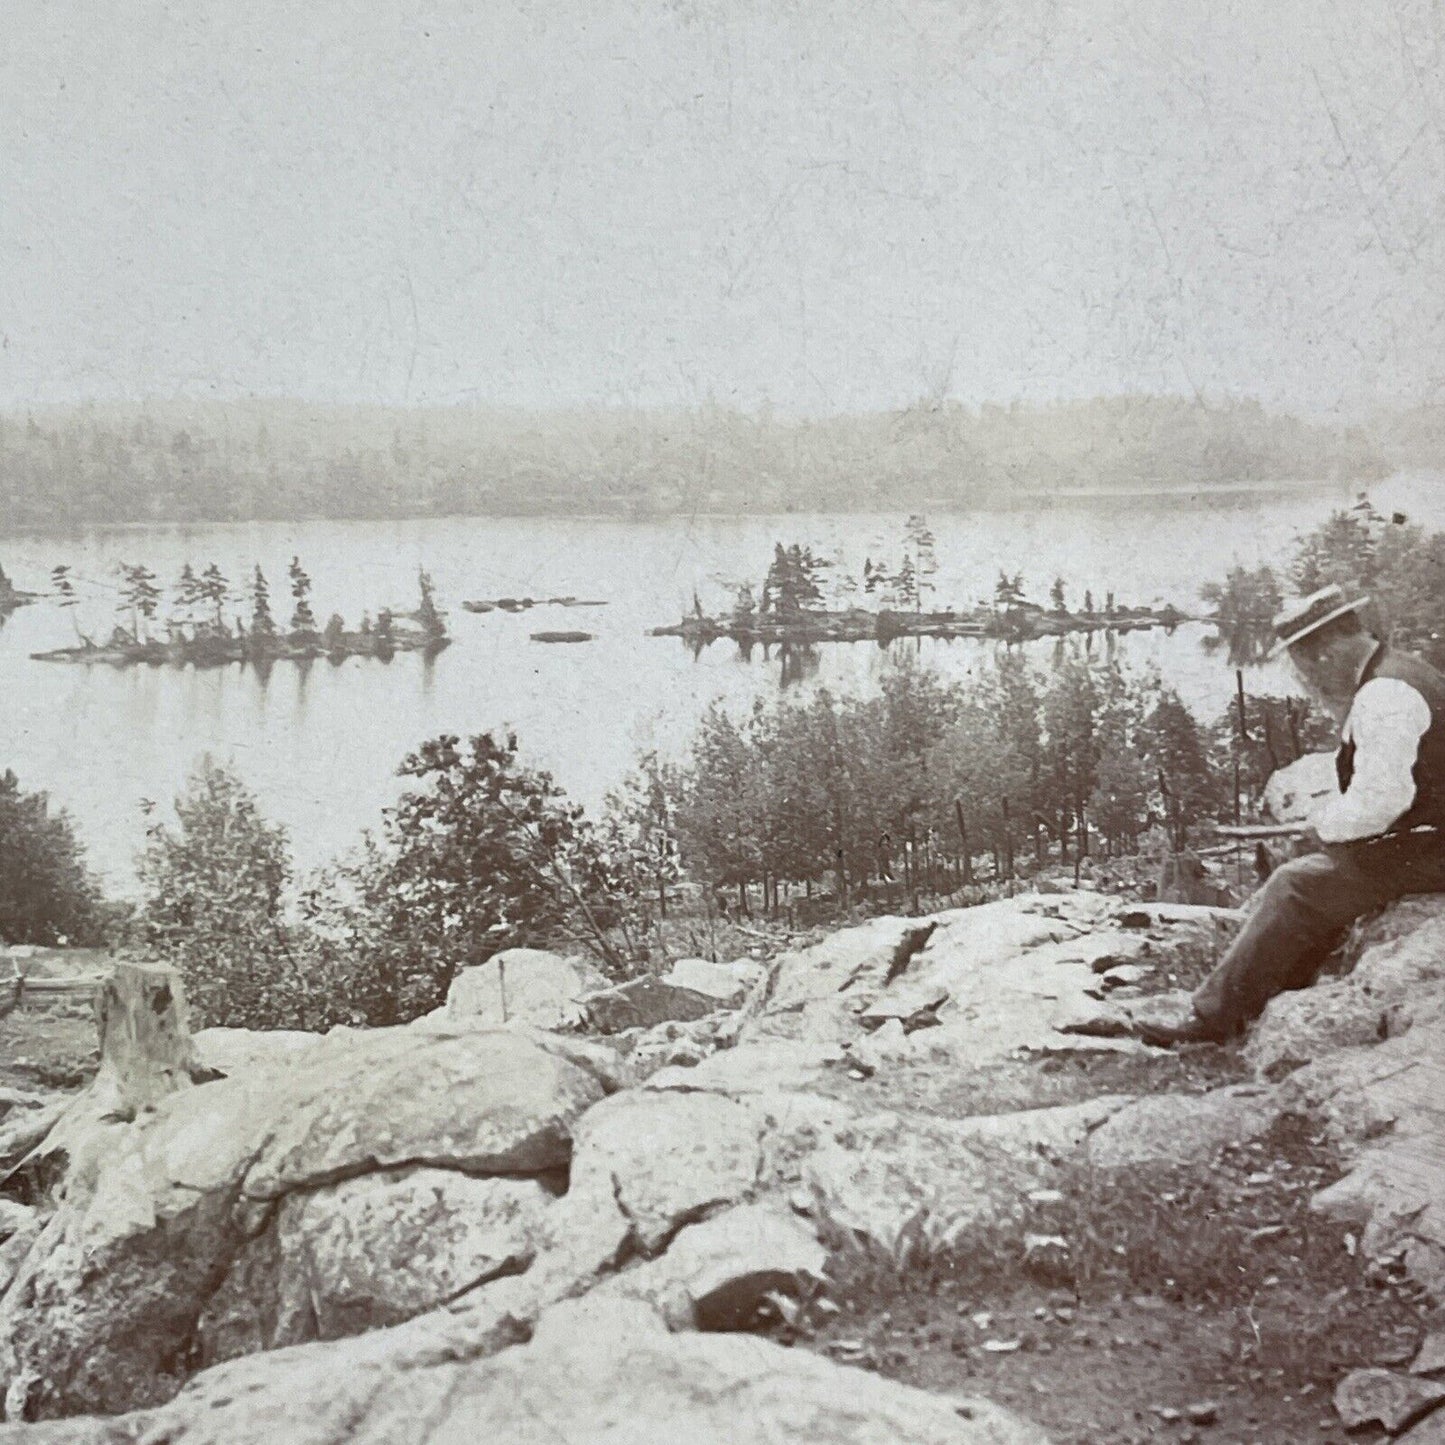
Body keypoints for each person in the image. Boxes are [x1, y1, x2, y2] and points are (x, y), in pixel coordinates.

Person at [1133, 583, 1445, 1046]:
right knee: (1319, 874)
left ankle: (1211, 1020)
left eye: (1303, 666)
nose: (1312, 681)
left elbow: (1383, 801)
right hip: (1428, 836)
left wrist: (1324, 823)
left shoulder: (1385, 695)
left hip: (1432, 848)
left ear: (1323, 652)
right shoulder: (1401, 671)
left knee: (1296, 884)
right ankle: (1271, 992)